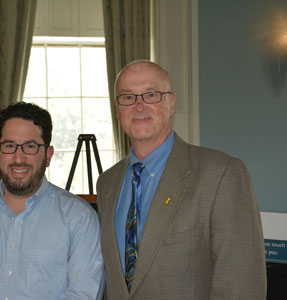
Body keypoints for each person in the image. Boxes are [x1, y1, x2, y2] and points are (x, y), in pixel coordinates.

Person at [96, 60, 266, 299]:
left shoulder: (221, 174)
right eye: (127, 97)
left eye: (151, 94)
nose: (139, 105)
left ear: (171, 103)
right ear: (117, 109)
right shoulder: (107, 183)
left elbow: (241, 284)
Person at [0, 102, 105, 300]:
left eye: (30, 146)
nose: (18, 158)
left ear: (48, 155)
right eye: (9, 146)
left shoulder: (80, 219)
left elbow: (83, 295)